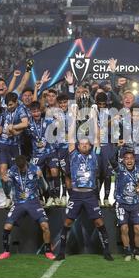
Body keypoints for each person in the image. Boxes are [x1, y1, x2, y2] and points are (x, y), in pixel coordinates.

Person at [55, 104, 113, 261]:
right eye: (82, 144)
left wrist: (94, 117)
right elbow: (72, 136)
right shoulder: (73, 154)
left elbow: (98, 138)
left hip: (90, 195)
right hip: (75, 195)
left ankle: (107, 251)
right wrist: (72, 116)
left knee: (99, 222)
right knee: (67, 223)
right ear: (78, 146)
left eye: (87, 143)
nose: (85, 145)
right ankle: (61, 251)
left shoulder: (95, 155)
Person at [0, 155, 55, 260]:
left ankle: (48, 251)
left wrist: (41, 178)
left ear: (26, 164)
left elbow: (45, 188)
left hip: (33, 202)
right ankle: (6, 251)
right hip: (18, 203)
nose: (21, 169)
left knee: (45, 225)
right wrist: (4, 182)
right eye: (19, 168)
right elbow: (7, 190)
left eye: (23, 167)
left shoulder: (35, 169)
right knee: (7, 227)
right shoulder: (13, 170)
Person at [110, 149, 139, 261]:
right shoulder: (119, 169)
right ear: (123, 160)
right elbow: (111, 159)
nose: (129, 161)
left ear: (135, 160)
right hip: (121, 204)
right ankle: (127, 252)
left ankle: (137, 252)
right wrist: (117, 148)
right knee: (124, 228)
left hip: (135, 204)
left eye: (131, 158)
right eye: (126, 158)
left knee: (138, 229)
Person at [25, 101, 59, 206]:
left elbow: (58, 123)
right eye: (34, 112)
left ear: (41, 111)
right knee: (36, 174)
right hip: (37, 154)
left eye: (38, 111)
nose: (36, 114)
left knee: (54, 172)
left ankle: (56, 196)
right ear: (30, 112)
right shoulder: (28, 124)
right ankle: (43, 196)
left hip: (50, 151)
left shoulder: (47, 120)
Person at [0, 92, 29, 208]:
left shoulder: (21, 110)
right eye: (7, 105)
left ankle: (18, 196)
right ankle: (7, 198)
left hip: (15, 145)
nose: (9, 107)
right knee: (3, 171)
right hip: (3, 145)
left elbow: (25, 123)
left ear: (16, 102)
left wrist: (13, 128)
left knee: (18, 172)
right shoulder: (5, 110)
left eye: (11, 105)